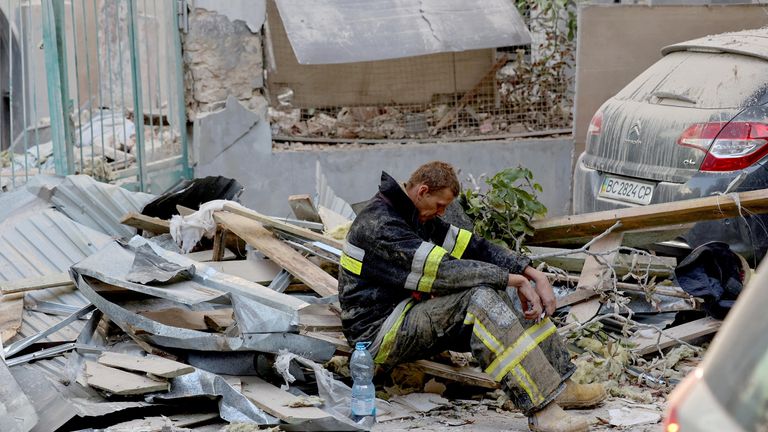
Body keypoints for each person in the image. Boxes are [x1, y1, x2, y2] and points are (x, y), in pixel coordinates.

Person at [338, 161, 606, 432]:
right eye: (440, 205)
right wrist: (512, 278)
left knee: (506, 291)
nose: (442, 212)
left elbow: (473, 248)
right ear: (423, 191)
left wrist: (532, 273)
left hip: (408, 314)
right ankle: (542, 409)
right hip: (379, 334)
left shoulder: (414, 215)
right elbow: (445, 272)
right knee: (480, 299)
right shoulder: (380, 225)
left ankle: (559, 384)